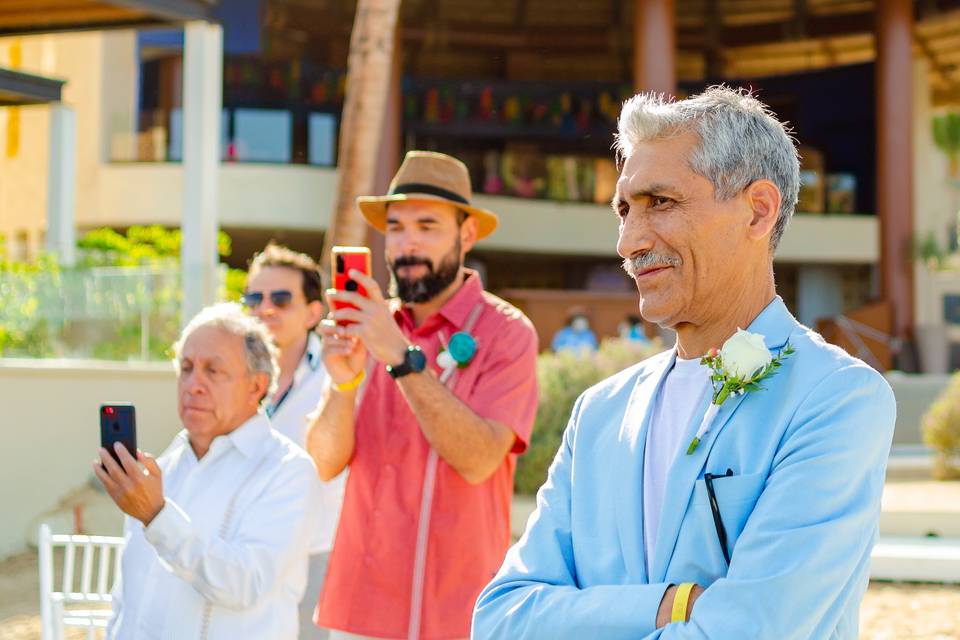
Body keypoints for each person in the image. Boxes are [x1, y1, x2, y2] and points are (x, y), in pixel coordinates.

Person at [473, 87, 897, 638]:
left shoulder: (836, 399)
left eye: (661, 203)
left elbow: (751, 629)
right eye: (624, 210)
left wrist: (587, 614)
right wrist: (671, 605)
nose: (628, 242)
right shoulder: (599, 412)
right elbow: (501, 617)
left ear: (757, 211)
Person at [306, 150, 539, 640]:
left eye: (428, 227)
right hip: (359, 607)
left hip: (460, 611)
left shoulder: (509, 334)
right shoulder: (366, 327)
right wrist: (344, 383)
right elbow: (324, 462)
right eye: (396, 228)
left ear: (466, 234)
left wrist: (397, 355)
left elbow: (479, 460)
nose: (407, 244)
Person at [96, 303, 321, 640]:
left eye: (213, 371)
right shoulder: (162, 468)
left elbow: (244, 584)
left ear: (256, 387)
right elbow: (128, 600)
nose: (193, 385)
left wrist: (157, 517)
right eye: (185, 368)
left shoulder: (288, 471)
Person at [243, 243, 344, 640]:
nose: (265, 309)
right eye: (254, 298)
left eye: (281, 299)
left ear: (313, 312)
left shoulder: (338, 376)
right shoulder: (229, 377)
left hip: (317, 552)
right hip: (246, 552)